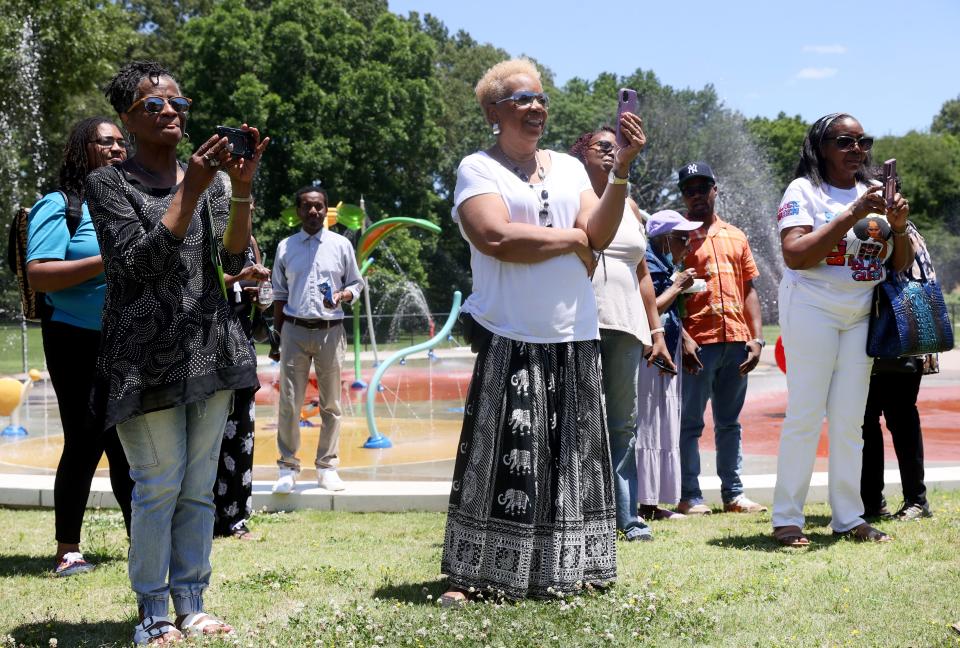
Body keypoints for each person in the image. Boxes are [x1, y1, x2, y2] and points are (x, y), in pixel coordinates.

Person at [440, 58, 645, 604]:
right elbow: (495, 238)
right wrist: (570, 241)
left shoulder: (572, 170)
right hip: (510, 331)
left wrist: (620, 171)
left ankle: (566, 567)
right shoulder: (478, 169)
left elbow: (597, 232)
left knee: (570, 458)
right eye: (522, 99)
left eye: (540, 99)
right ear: (493, 112)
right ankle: (473, 574)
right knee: (503, 454)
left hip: (573, 332)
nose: (536, 108)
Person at [88, 60, 268, 644]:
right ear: (127, 119)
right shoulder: (108, 184)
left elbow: (235, 263)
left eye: (178, 104)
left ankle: (190, 601)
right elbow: (136, 264)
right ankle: (153, 612)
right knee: (158, 484)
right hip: (141, 360)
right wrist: (188, 191)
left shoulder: (212, 182)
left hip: (209, 348)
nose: (171, 112)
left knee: (197, 486)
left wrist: (239, 191)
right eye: (154, 105)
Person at [772, 112, 912, 546]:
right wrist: (852, 212)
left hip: (859, 314)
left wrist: (901, 227)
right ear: (822, 147)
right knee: (806, 415)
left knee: (852, 422)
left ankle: (849, 518)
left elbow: (899, 263)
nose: (857, 149)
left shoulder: (874, 193)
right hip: (812, 306)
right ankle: (788, 518)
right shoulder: (805, 191)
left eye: (862, 141)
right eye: (845, 141)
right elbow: (795, 254)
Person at [26, 116, 133, 577]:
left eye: (120, 142)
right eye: (105, 141)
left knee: (130, 443)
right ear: (81, 150)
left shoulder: (131, 201)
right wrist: (104, 261)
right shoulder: (61, 204)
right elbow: (40, 273)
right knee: (86, 441)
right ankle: (68, 549)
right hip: (73, 337)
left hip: (128, 336)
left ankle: (143, 541)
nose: (116, 148)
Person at [569, 126, 674, 540]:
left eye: (619, 147)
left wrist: (656, 330)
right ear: (582, 154)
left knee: (622, 424)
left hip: (626, 327)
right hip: (578, 324)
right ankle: (577, 513)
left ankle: (626, 518)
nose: (613, 153)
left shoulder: (629, 205)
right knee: (577, 420)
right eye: (604, 147)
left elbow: (643, 273)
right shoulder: (568, 198)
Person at [676, 161, 767, 515]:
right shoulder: (676, 236)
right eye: (689, 190)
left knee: (730, 423)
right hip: (698, 344)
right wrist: (682, 337)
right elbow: (662, 292)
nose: (696, 195)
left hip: (736, 342)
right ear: (683, 195)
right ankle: (690, 495)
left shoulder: (736, 235)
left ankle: (734, 494)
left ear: (716, 189)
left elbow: (749, 290)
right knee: (691, 423)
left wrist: (757, 339)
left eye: (703, 187)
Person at [270, 185, 363, 494]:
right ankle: (287, 467)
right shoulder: (285, 247)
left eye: (319, 207)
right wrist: (276, 337)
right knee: (289, 402)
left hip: (330, 331)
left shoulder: (341, 245)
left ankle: (327, 467)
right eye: (307, 207)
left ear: (326, 211)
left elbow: (356, 283)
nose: (313, 212)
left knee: (331, 404)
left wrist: (343, 294)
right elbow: (279, 296)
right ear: (298, 211)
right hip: (294, 330)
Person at [860, 220, 936, 522]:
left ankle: (909, 501)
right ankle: (883, 502)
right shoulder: (904, 228)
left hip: (895, 337)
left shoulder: (885, 227)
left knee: (891, 420)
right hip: (894, 337)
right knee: (874, 422)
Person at [636, 210, 702, 521]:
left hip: (667, 347)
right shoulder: (647, 262)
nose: (687, 246)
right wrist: (678, 286)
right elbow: (648, 308)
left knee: (663, 421)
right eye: (681, 239)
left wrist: (685, 339)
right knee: (648, 422)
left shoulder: (663, 263)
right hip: (649, 352)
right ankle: (643, 502)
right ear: (663, 238)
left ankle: (653, 501)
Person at [215, 230, 270, 540]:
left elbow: (260, 291)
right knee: (206, 440)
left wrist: (260, 297)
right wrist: (238, 278)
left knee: (242, 438)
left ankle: (236, 518)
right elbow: (200, 280)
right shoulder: (203, 233)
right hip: (207, 350)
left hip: (242, 350)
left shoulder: (249, 242)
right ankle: (205, 517)